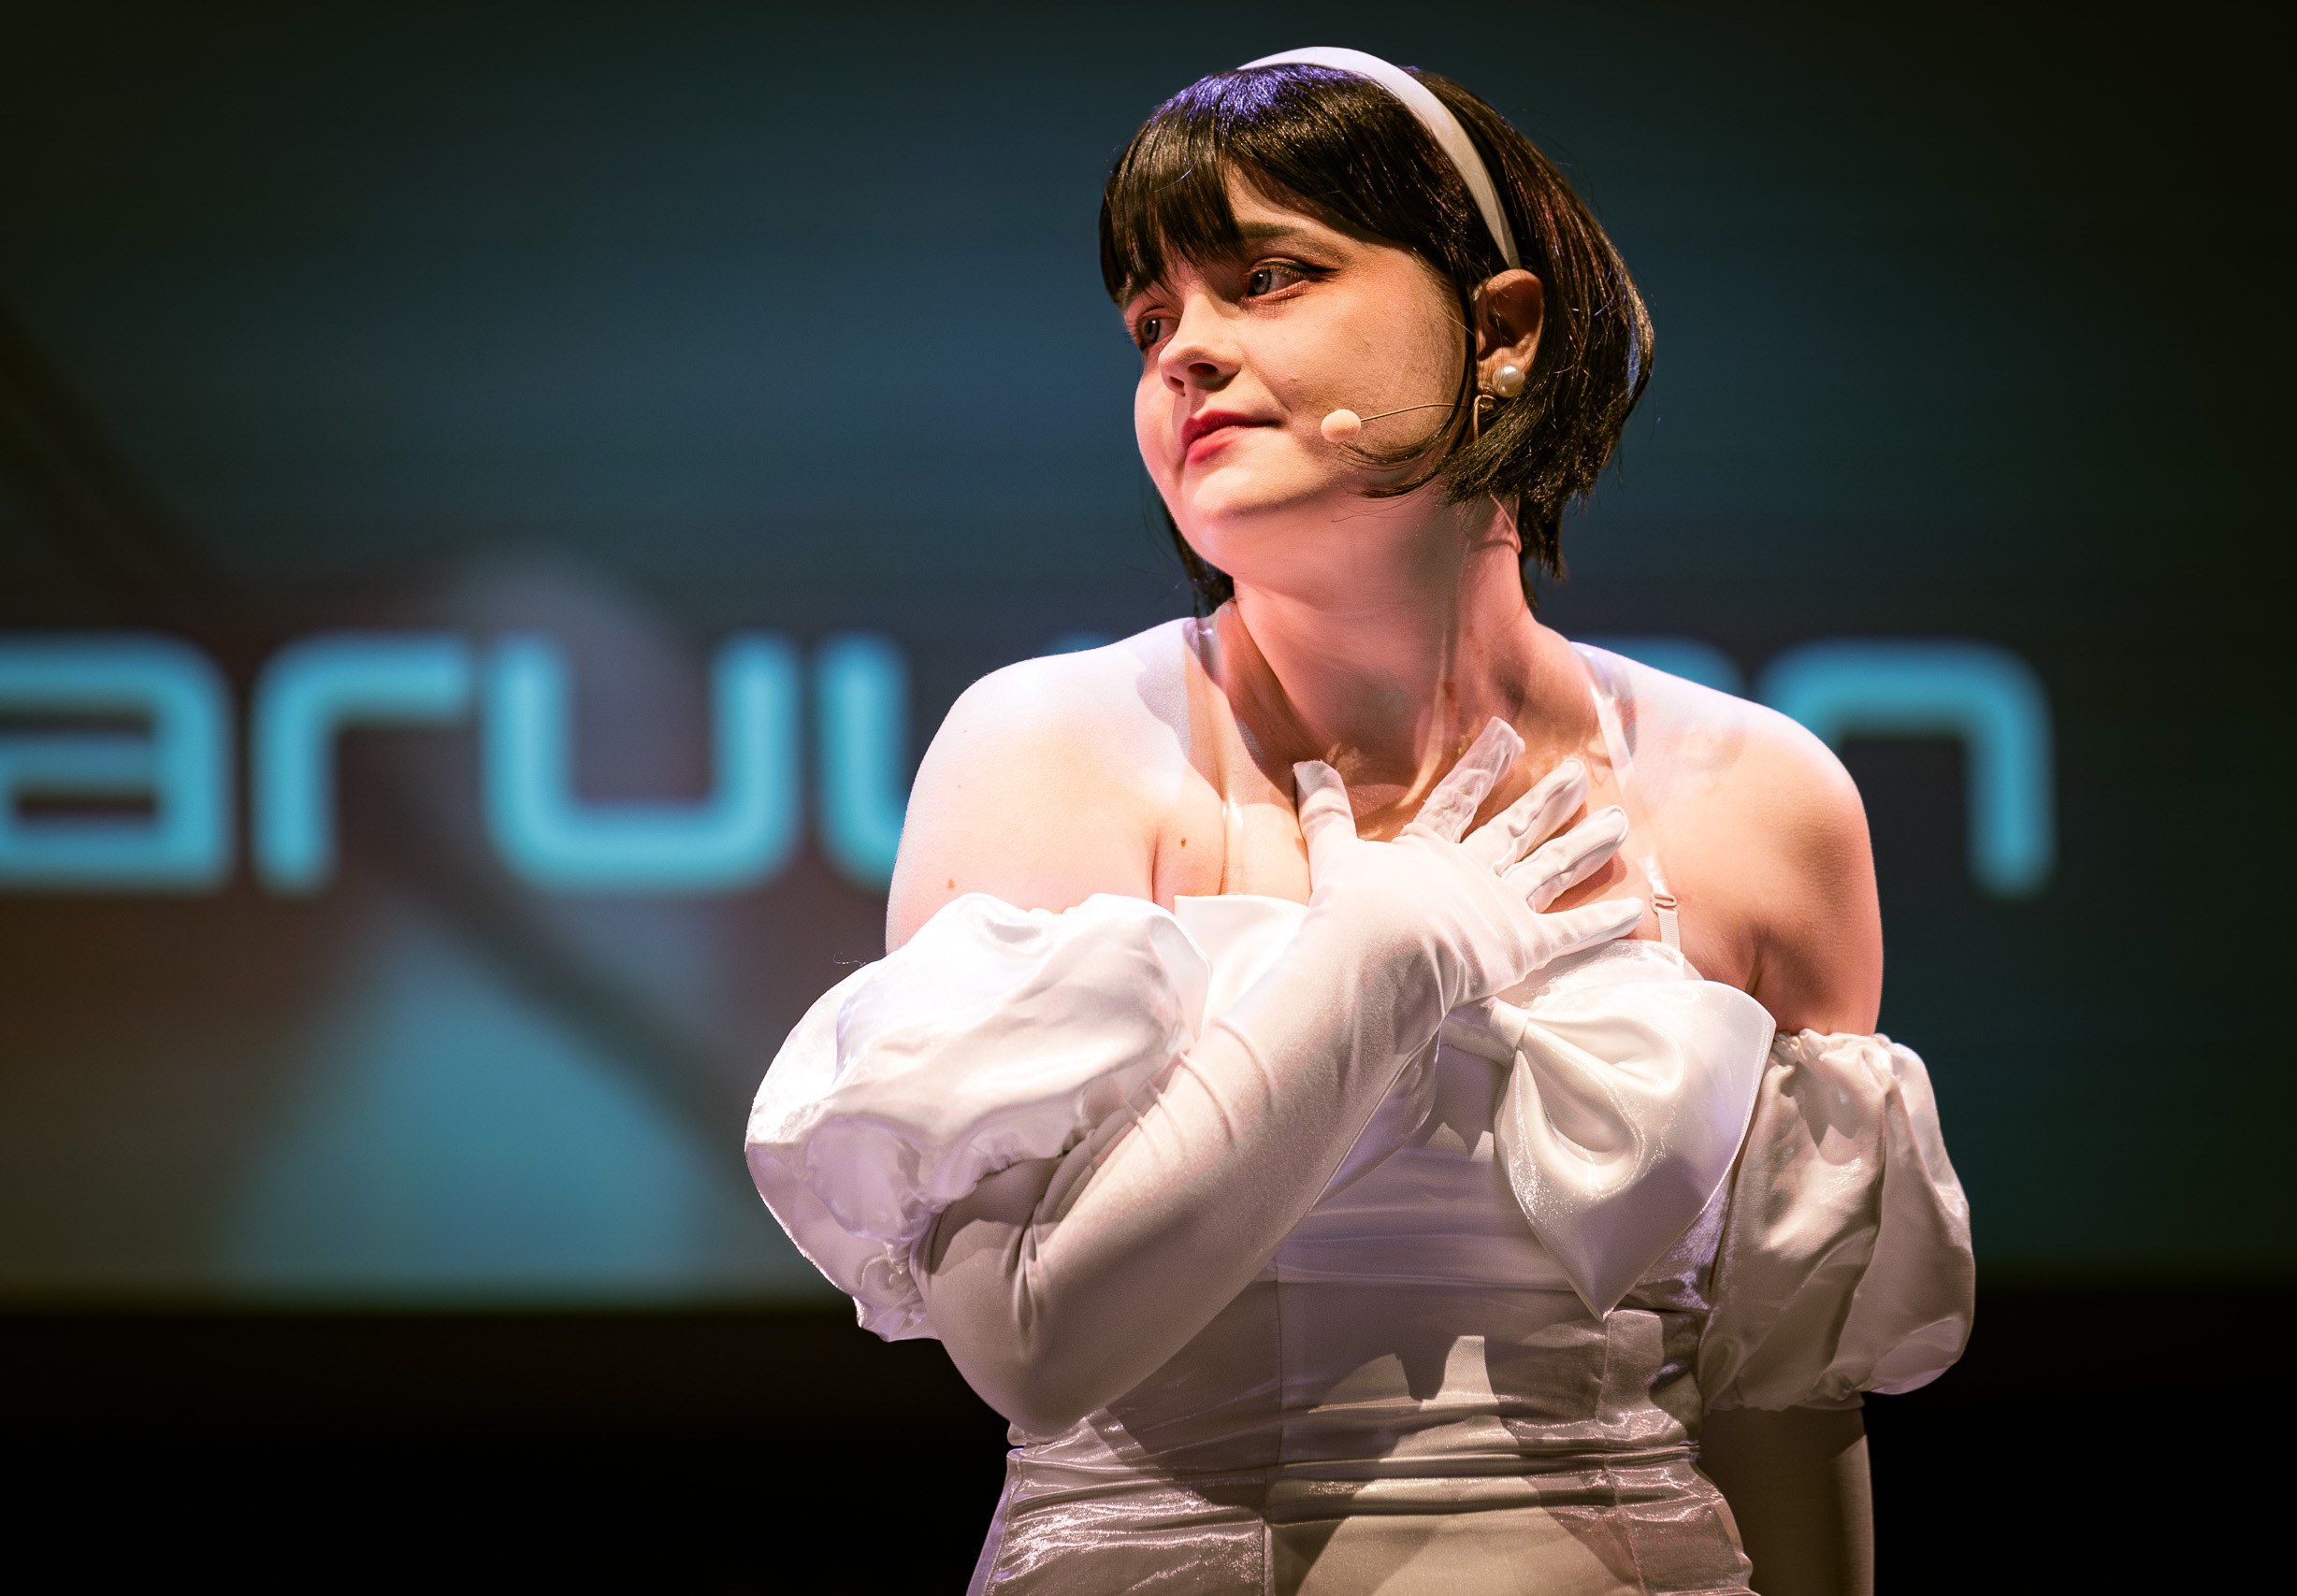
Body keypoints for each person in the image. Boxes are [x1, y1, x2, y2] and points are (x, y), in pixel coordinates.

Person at [748, 48, 1972, 1596]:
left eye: (1270, 277)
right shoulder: (1053, 748)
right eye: (1152, 320)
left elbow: (1786, 1407)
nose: (1188, 352)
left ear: (1502, 331)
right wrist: (1383, 959)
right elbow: (1037, 1349)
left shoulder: (1762, 800)